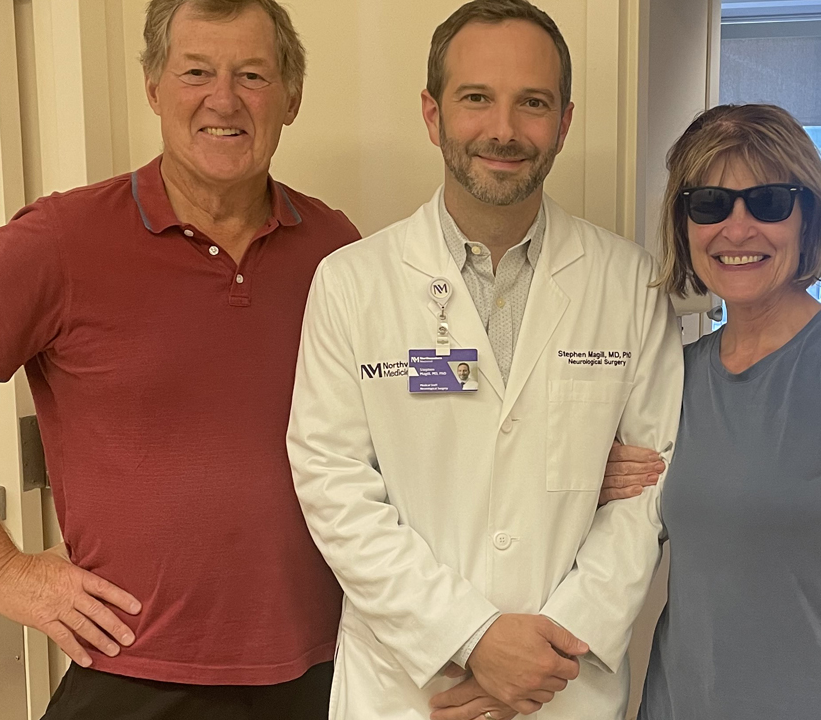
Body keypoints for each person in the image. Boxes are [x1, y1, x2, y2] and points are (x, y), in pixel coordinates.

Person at [0, 1, 359, 717]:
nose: (223, 99)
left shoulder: (337, 249)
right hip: (133, 674)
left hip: (322, 670)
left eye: (252, 74)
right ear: (153, 87)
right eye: (195, 72)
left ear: (291, 97)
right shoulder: (58, 242)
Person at [285, 2, 681, 718]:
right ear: (434, 116)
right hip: (411, 689)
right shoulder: (352, 284)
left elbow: (651, 487)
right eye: (476, 99)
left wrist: (543, 656)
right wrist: (471, 638)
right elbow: (333, 487)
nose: (503, 130)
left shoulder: (628, 285)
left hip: (563, 687)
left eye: (532, 103)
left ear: (563, 122)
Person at [612, 104, 821, 720]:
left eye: (767, 202)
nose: (737, 230)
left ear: (806, 217)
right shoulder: (675, 375)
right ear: (684, 223)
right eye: (710, 204)